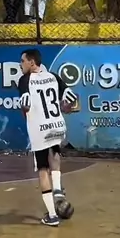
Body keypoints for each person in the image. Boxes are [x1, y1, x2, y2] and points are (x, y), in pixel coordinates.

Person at [18, 49, 77, 227]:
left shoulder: (25, 80)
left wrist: (25, 109)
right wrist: (66, 106)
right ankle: (57, 189)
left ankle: (52, 216)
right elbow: (71, 98)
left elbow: (25, 104)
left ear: (32, 62)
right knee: (55, 154)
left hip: (40, 129)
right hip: (57, 125)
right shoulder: (53, 76)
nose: (20, 65)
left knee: (43, 169)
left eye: (22, 61)